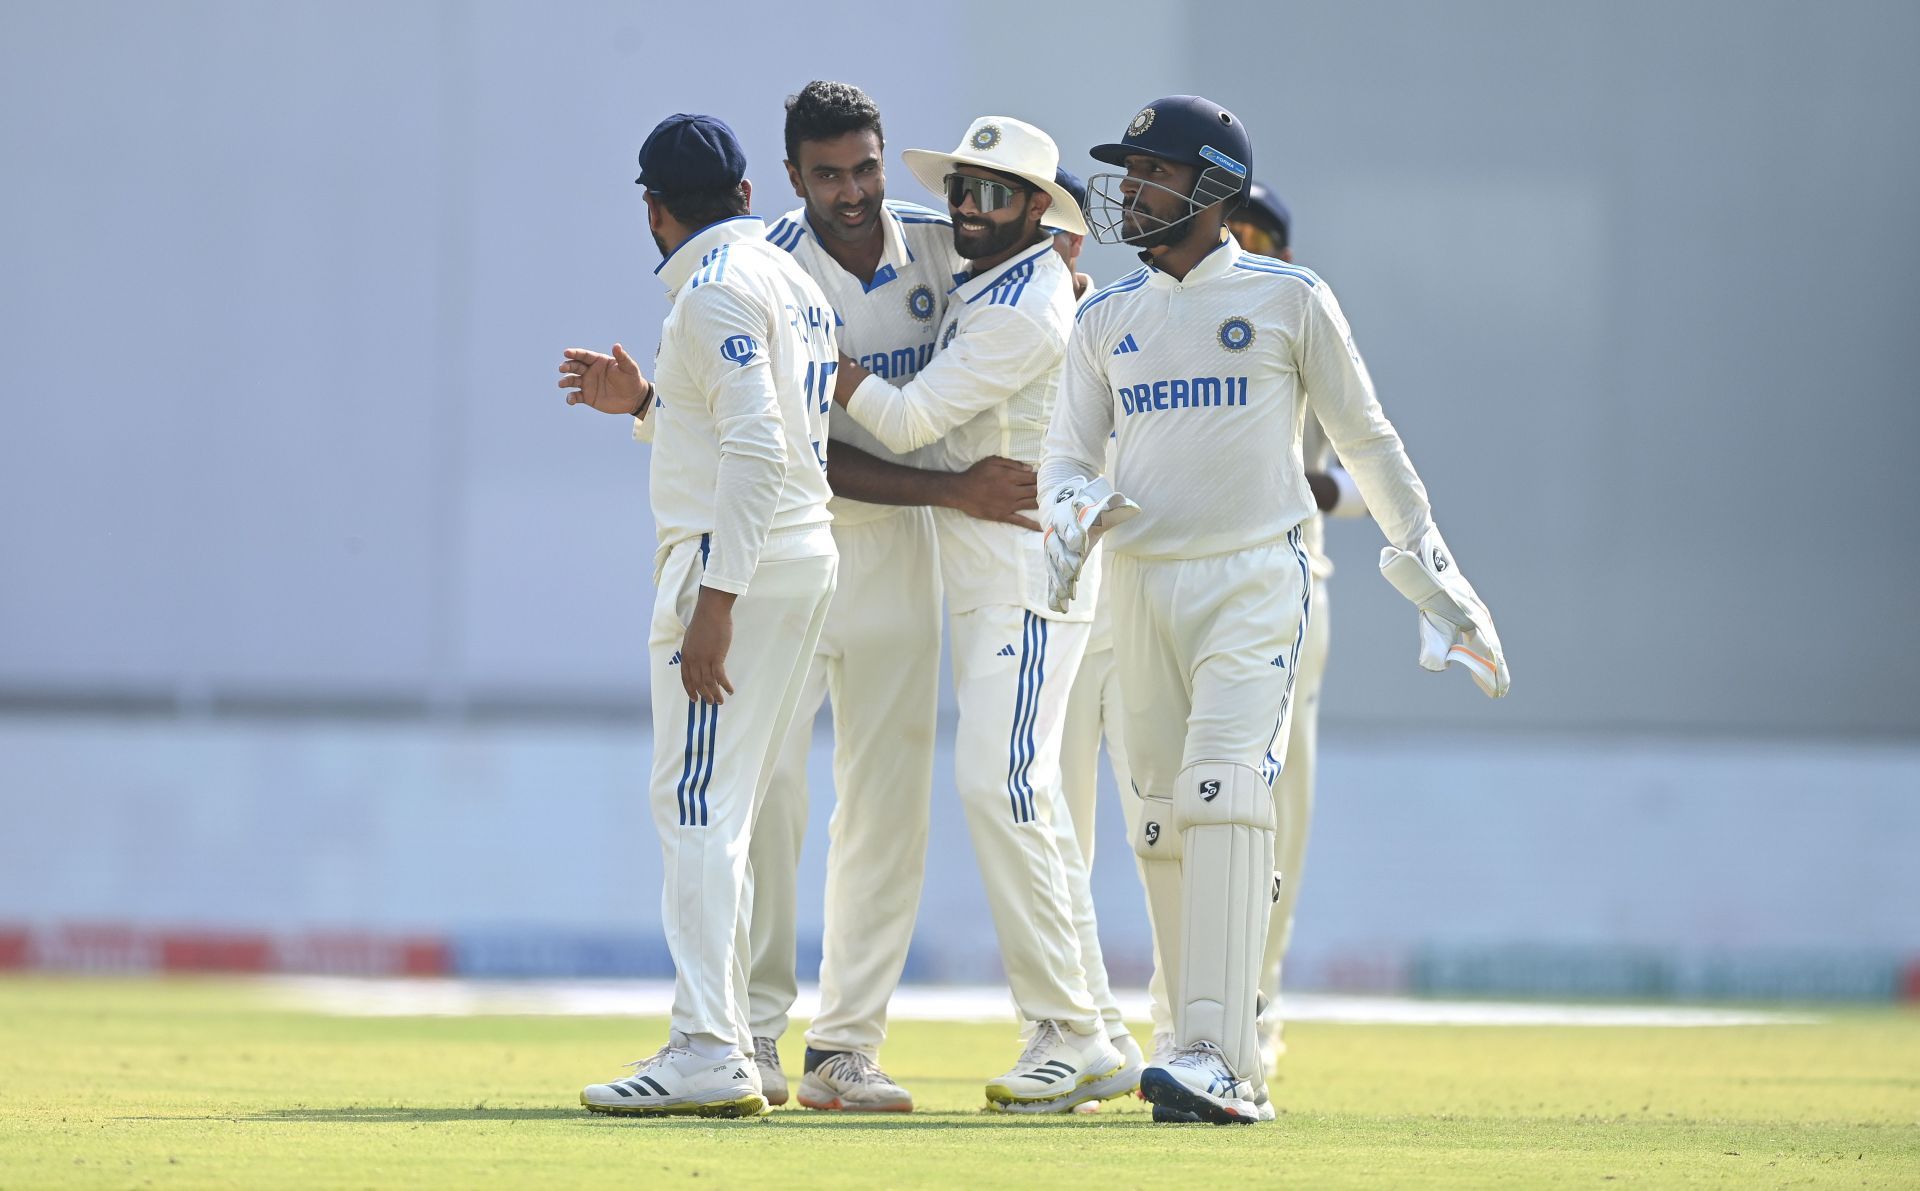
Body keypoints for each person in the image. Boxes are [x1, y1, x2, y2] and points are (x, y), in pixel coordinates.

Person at [1041, 95, 1509, 1125]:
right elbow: (1066, 456)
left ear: (1211, 187)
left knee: (1222, 792)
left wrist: (1435, 577)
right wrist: (1073, 511)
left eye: (1154, 171)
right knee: (1161, 820)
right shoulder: (1101, 318)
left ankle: (1222, 1051)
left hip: (1256, 576)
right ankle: (1192, 1045)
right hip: (1140, 583)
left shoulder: (1291, 299)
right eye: (1129, 170)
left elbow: (1371, 444)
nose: (1132, 189)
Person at [743, 81, 1040, 1114]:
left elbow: (1030, 273)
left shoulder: (937, 241)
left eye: (865, 166)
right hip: (791, 540)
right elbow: (799, 452)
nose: (854, 191)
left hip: (900, 557)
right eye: (828, 174)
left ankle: (843, 1051)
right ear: (794, 177)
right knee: (771, 795)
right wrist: (951, 489)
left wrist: (1067, 273)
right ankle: (746, 1032)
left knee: (885, 808)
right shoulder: (768, 266)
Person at [829, 115, 1137, 1112]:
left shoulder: (1025, 306)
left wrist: (821, 369)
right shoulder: (991, 285)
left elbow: (914, 422)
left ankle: (1074, 1034)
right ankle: (1090, 1023)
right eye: (964, 188)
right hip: (993, 575)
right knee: (1025, 793)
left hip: (1028, 577)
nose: (970, 206)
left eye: (996, 193)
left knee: (999, 784)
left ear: (1038, 210)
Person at [556, 112, 840, 1119]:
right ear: (751, 196)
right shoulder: (789, 284)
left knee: (693, 807)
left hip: (737, 570)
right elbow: (747, 435)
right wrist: (645, 408)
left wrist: (715, 602)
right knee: (733, 809)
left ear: (654, 210)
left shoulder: (714, 295)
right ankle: (742, 1043)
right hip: (800, 559)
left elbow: (759, 452)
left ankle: (707, 1048)